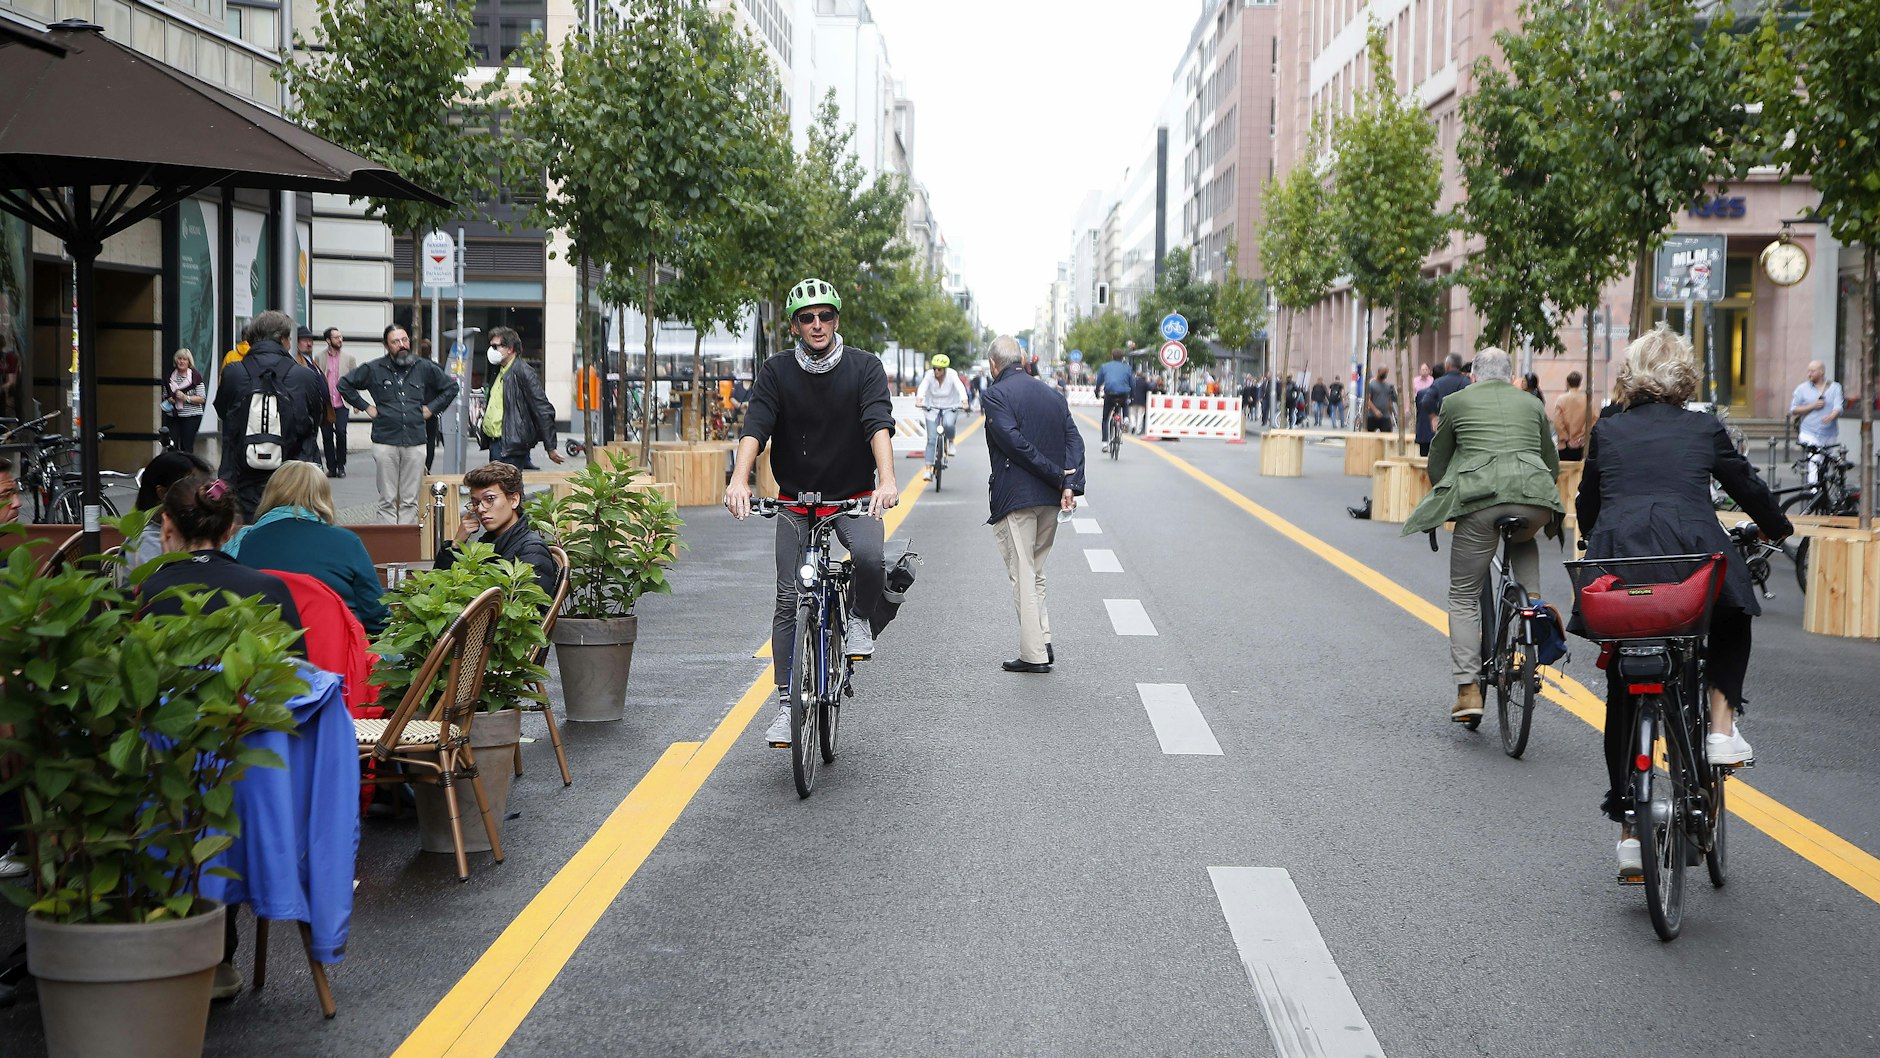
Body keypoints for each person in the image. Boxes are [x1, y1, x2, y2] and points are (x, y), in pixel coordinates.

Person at [1574, 326, 1791, 879]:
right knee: (1734, 612)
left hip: (1620, 563)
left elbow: (1589, 502)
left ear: (1631, 375)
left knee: (1624, 685)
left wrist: (1596, 535)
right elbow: (1745, 485)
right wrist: (1777, 525)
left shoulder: (1608, 429)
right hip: (1692, 557)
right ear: (1684, 376)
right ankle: (1719, 729)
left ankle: (1630, 835)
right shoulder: (1702, 427)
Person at [135, 472, 304, 999]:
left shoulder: (142, 593)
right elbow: (297, 683)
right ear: (232, 529)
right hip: (253, 773)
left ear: (166, 525)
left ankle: (159, 944)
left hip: (158, 778)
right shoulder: (268, 589)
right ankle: (219, 956)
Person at [725, 278, 898, 747]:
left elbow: (878, 424)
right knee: (788, 598)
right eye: (807, 318)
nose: (817, 324)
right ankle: (788, 706)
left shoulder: (865, 367)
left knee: (869, 558)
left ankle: (858, 617)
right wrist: (739, 479)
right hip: (795, 500)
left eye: (825, 316)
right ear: (795, 326)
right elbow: (756, 425)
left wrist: (886, 481)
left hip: (852, 496)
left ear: (836, 320)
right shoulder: (777, 371)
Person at [1401, 348, 1562, 723]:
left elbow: (1439, 459)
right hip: (1535, 497)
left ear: (1473, 376)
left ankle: (1468, 690)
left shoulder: (1456, 402)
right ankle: (1532, 608)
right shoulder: (1532, 403)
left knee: (1463, 595)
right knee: (1524, 538)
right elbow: (1550, 463)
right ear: (1510, 376)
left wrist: (1444, 495)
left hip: (1481, 500)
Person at [982, 335, 1084, 674]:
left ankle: (1034, 654)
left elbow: (1012, 443)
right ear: (1023, 361)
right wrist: (1068, 483)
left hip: (1017, 497)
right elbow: (1074, 440)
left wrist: (1056, 474)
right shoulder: (1052, 395)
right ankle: (1044, 638)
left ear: (993, 364)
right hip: (1050, 499)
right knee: (1036, 570)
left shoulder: (996, 395)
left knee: (1023, 573)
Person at [228, 460, 391, 635]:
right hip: (334, 647)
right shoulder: (347, 543)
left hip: (264, 648)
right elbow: (377, 619)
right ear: (324, 497)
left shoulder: (241, 543)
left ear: (270, 494)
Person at [338, 324, 459, 524]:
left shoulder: (424, 367)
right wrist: (366, 407)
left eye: (404, 340)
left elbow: (451, 387)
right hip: (385, 440)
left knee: (410, 500)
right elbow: (344, 384)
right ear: (386, 346)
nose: (401, 345)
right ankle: (387, 541)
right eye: (395, 342)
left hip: (415, 440)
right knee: (387, 499)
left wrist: (431, 408)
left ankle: (406, 541)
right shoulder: (374, 368)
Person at [212, 310, 326, 520]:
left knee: (247, 529)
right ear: (284, 340)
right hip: (292, 477)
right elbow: (315, 419)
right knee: (289, 527)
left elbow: (222, 411)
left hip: (242, 476)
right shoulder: (304, 376)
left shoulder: (234, 372)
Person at [433, 460, 559, 601]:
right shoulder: (487, 545)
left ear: (514, 500)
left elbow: (528, 610)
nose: (481, 509)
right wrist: (456, 545)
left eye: (490, 499)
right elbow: (436, 592)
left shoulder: (532, 550)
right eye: (475, 502)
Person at [478, 326, 565, 470]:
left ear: (510, 349)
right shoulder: (499, 371)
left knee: (507, 482)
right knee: (498, 482)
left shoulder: (523, 372)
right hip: (496, 443)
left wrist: (550, 447)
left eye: (495, 346)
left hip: (511, 444)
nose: (491, 350)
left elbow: (542, 408)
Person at [125, 449, 213, 567]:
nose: (204, 494)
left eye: (205, 487)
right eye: (192, 487)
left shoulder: (197, 531)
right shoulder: (147, 542)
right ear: (162, 493)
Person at [915, 353, 968, 480]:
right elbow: (922, 387)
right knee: (931, 439)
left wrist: (964, 401)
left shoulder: (952, 374)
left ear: (945, 369)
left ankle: (951, 442)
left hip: (950, 406)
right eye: (934, 368)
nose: (936, 371)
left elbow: (960, 387)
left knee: (948, 424)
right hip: (932, 408)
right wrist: (919, 400)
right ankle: (928, 470)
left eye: (939, 369)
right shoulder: (929, 375)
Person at [1415, 352, 1470, 457]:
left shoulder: (1439, 383)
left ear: (1447, 366)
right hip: (1462, 428)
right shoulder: (1467, 383)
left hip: (1444, 427)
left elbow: (1426, 401)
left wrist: (1433, 417)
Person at [317, 327, 353, 478]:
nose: (340, 340)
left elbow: (354, 381)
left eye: (340, 337)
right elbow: (317, 379)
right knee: (326, 436)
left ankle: (341, 466)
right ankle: (331, 467)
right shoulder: (319, 357)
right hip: (326, 404)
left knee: (341, 432)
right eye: (336, 337)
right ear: (328, 340)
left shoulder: (349, 358)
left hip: (342, 403)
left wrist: (356, 403)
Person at [1790, 359, 1844, 453]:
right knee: (1815, 459)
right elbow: (1793, 409)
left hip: (1829, 434)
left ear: (1821, 371)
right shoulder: (1802, 389)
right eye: (1808, 371)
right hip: (1809, 432)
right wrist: (1812, 406)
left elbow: (1838, 407)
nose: (1809, 374)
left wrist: (1831, 416)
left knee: (1826, 460)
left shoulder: (1835, 387)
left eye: (1812, 371)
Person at [163, 348, 207, 455]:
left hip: (191, 417)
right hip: (173, 416)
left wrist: (186, 398)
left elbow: (202, 398)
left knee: (186, 447)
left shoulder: (195, 377)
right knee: (171, 445)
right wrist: (169, 399)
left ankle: (186, 464)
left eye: (184, 359)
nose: (181, 361)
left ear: (189, 362)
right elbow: (165, 394)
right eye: (179, 359)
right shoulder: (169, 377)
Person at [1551, 370, 1598, 462]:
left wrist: (1566, 438)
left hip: (1564, 445)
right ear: (1580, 383)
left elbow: (1558, 422)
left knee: (1566, 469)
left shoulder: (1561, 400)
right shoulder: (1588, 400)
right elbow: (1593, 419)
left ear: (1567, 383)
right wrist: (1582, 436)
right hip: (1582, 444)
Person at [1092, 348, 1133, 444]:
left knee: (1105, 419)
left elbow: (1099, 382)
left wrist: (1097, 392)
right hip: (1123, 394)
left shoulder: (1105, 367)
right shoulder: (1127, 368)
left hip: (1109, 394)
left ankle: (1104, 443)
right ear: (1122, 358)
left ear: (1112, 356)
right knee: (1125, 403)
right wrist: (1132, 395)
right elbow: (1132, 383)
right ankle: (1126, 418)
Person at [1363, 366, 1396, 432]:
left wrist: (1390, 414)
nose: (1384, 374)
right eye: (1383, 372)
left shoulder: (1388, 386)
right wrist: (1375, 410)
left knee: (1387, 434)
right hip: (1372, 416)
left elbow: (1390, 401)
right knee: (1369, 435)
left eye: (1386, 373)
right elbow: (1367, 399)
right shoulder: (1371, 385)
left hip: (1385, 416)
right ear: (1378, 372)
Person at [1130, 367, 1151, 434]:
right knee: (1140, 415)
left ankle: (1133, 425)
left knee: (1132, 414)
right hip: (1142, 401)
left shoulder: (1132, 382)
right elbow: (1150, 388)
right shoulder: (1144, 383)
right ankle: (1138, 430)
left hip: (1133, 401)